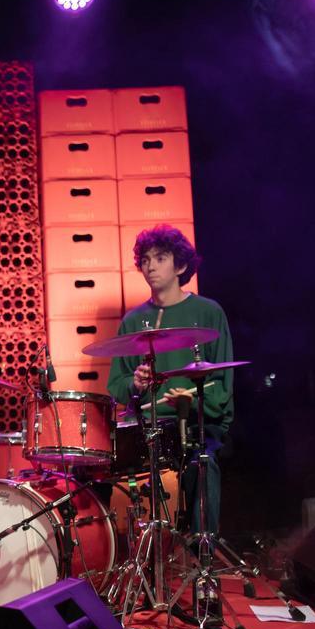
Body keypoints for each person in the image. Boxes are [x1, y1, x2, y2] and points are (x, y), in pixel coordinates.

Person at [107, 225, 233, 535]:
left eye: (160, 258)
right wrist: (135, 384)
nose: (150, 266)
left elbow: (223, 383)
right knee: (96, 469)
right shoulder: (133, 321)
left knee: (201, 465)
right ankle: (121, 554)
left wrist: (191, 402)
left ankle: (202, 555)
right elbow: (116, 385)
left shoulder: (208, 312)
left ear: (180, 265)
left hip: (195, 425)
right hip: (145, 428)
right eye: (145, 259)